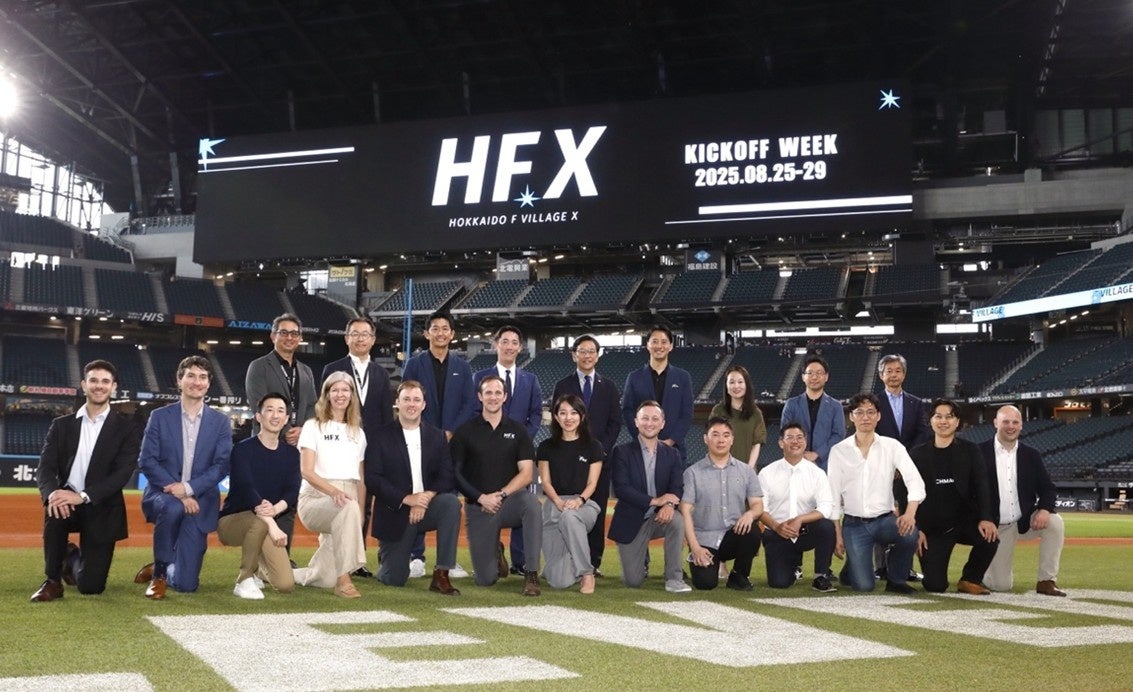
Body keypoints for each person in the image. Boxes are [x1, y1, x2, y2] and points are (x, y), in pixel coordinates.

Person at [31, 360, 142, 602]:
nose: (99, 386)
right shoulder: (61, 425)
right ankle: (52, 581)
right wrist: (52, 494)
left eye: (105, 381)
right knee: (55, 508)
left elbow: (121, 474)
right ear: (84, 385)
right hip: (66, 502)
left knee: (91, 587)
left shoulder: (127, 429)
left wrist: (82, 496)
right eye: (93, 380)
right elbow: (45, 468)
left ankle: (70, 556)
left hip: (101, 506)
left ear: (113, 387)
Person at [135, 355, 233, 599]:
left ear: (208, 384)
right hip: (164, 496)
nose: (196, 382)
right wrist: (177, 492)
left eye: (202, 377)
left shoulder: (220, 422)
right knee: (173, 507)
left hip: (199, 502)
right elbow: (147, 460)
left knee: (187, 584)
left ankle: (165, 569)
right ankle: (159, 574)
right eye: (191, 376)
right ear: (179, 380)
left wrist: (188, 489)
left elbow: (221, 466)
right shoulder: (159, 416)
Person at [364, 380, 462, 595]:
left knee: (450, 503)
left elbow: (447, 475)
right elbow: (373, 479)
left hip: (427, 507)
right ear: (397, 403)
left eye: (416, 400)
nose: (411, 404)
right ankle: (387, 559)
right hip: (396, 511)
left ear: (424, 405)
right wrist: (407, 499)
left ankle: (442, 573)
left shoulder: (437, 436)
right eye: (406, 399)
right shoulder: (380, 436)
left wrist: (424, 497)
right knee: (394, 579)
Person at [401, 311, 476, 577]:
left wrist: (451, 432)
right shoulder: (414, 364)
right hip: (420, 439)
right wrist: (431, 433)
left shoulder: (463, 367)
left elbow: (469, 403)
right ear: (427, 333)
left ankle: (448, 561)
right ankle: (416, 557)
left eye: (445, 328)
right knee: (418, 490)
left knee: (449, 498)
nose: (440, 333)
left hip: (452, 443)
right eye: (435, 328)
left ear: (452, 334)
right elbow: (408, 400)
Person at [452, 375, 542, 596]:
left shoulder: (518, 430)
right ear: (480, 396)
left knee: (531, 503)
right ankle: (495, 551)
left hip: (509, 502)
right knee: (486, 579)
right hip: (479, 506)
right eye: (488, 393)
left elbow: (527, 474)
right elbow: (455, 474)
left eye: (498, 393)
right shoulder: (465, 431)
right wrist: (481, 498)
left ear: (505, 397)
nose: (493, 397)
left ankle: (531, 573)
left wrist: (501, 494)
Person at [827, 393, 925, 593]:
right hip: (854, 524)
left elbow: (915, 480)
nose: (865, 417)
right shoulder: (839, 451)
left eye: (871, 412)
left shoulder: (892, 446)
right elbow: (833, 494)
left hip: (884, 521)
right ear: (851, 416)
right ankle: (851, 568)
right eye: (859, 412)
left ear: (878, 416)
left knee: (909, 534)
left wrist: (910, 514)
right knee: (864, 586)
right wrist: (837, 533)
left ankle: (896, 580)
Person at [321, 316, 394, 579]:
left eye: (365, 334)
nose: (360, 338)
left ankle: (357, 560)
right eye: (355, 333)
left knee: (366, 505)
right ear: (346, 338)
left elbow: (386, 416)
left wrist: (385, 448)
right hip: (340, 447)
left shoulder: (381, 374)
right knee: (340, 501)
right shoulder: (332, 368)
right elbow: (324, 408)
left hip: (371, 449)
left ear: (373, 340)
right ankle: (333, 557)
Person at [245, 313, 318, 553]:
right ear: (273, 336)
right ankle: (259, 557)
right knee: (264, 501)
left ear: (300, 338)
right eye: (283, 332)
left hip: (295, 447)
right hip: (266, 446)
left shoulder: (305, 370)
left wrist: (303, 430)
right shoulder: (259, 366)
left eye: (294, 333)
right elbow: (258, 403)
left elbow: (312, 406)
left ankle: (282, 556)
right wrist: (286, 430)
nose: (289, 337)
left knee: (288, 501)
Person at [909, 399, 998, 595]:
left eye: (949, 417)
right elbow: (905, 491)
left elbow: (982, 485)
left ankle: (970, 579)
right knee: (935, 586)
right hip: (933, 529)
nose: (943, 421)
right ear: (930, 421)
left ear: (957, 422)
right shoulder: (917, 454)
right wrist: (916, 528)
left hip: (964, 521)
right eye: (938, 416)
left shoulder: (970, 450)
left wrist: (986, 518)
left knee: (990, 537)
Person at [217, 392, 301, 599]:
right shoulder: (242, 450)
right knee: (260, 522)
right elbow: (247, 489)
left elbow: (292, 491)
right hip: (233, 522)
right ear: (258, 416)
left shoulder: (292, 454)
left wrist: (275, 509)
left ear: (286, 419)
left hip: (265, 521)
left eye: (280, 411)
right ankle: (244, 579)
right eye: (269, 410)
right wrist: (271, 522)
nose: (275, 415)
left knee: (285, 585)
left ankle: (258, 572)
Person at [474, 325, 543, 577]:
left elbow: (536, 414)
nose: (509, 346)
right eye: (505, 341)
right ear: (496, 344)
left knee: (523, 503)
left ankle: (520, 561)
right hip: (487, 453)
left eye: (514, 342)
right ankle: (491, 553)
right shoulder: (480, 376)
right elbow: (474, 412)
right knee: (488, 502)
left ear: (520, 347)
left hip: (520, 455)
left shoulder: (530, 380)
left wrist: (520, 440)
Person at [552, 334, 622, 577]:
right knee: (568, 509)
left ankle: (593, 562)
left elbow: (615, 422)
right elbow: (558, 419)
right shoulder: (563, 385)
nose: (587, 355)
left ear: (597, 356)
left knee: (597, 511)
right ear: (574, 355)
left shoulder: (609, 386)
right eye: (582, 351)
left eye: (591, 351)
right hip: (569, 461)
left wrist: (601, 450)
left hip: (600, 460)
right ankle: (568, 559)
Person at [292, 372, 368, 597]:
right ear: (326, 395)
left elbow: (361, 478)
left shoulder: (359, 433)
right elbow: (306, 471)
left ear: (352, 395)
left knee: (324, 578)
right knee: (347, 506)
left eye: (345, 390)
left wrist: (360, 512)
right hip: (316, 497)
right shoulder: (313, 427)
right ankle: (344, 581)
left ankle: (281, 573)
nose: (340, 394)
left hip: (349, 496)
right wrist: (334, 492)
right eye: (334, 390)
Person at [980, 405, 1067, 596]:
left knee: (1055, 522)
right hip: (995, 526)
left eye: (1015, 422)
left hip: (1024, 521)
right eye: (1005, 421)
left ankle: (1046, 580)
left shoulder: (1031, 454)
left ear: (1021, 425)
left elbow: (1048, 488)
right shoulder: (979, 452)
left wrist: (1044, 509)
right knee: (1001, 586)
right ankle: (984, 571)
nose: (1010, 426)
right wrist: (983, 518)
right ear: (995, 423)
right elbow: (971, 493)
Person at [607, 400, 690, 593]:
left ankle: (674, 578)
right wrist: (656, 501)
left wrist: (668, 504)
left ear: (662, 423)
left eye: (655, 419)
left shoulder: (672, 454)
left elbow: (677, 487)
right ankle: (639, 557)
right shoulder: (621, 452)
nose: (649, 423)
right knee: (633, 581)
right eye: (645, 418)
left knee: (677, 520)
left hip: (658, 519)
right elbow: (622, 489)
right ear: (636, 422)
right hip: (631, 521)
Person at [680, 417, 764, 591]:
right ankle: (707, 563)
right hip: (705, 540)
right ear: (706, 439)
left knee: (753, 530)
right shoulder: (692, 473)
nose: (721, 440)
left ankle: (739, 576)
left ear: (732, 440)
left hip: (733, 535)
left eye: (726, 435)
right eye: (715, 435)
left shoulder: (746, 471)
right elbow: (685, 511)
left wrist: (749, 514)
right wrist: (695, 548)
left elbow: (757, 505)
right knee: (705, 584)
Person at [757, 422, 837, 592]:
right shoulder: (767, 473)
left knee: (826, 526)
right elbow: (761, 509)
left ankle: (821, 576)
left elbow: (826, 507)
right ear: (781, 443)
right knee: (779, 583)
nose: (795, 441)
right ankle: (793, 567)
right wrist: (777, 526)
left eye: (799, 437)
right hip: (777, 531)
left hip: (805, 532)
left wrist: (800, 519)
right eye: (790, 437)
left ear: (805, 442)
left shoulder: (817, 473)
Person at [873, 353, 931, 583]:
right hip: (881, 467)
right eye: (889, 371)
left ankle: (905, 568)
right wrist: (891, 461)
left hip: (908, 467)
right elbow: (872, 434)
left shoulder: (915, 403)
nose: (893, 375)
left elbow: (923, 433)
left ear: (904, 374)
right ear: (881, 375)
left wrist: (904, 460)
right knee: (881, 513)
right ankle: (880, 567)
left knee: (909, 513)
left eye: (898, 370)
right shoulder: (874, 402)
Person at [537, 394, 603, 592]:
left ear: (582, 416)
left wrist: (579, 500)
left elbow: (592, 483)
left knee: (570, 517)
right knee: (559, 582)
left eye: (574, 413)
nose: (568, 418)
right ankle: (565, 564)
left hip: (583, 505)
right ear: (556, 417)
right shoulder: (546, 447)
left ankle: (587, 573)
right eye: (563, 413)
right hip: (554, 505)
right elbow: (545, 482)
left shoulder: (593, 446)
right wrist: (557, 501)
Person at [622, 325, 693, 461]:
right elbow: (628, 411)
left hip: (674, 450)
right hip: (642, 451)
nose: (659, 346)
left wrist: (670, 441)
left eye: (664, 342)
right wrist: (643, 440)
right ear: (647, 345)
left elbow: (686, 414)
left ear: (671, 346)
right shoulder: (634, 377)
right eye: (654, 341)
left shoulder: (683, 377)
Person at [780, 355, 845, 471]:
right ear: (803, 377)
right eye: (810, 373)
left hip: (826, 464)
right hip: (796, 463)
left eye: (819, 373)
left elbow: (838, 435)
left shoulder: (836, 406)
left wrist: (817, 454)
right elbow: (785, 433)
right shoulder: (791, 404)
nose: (814, 377)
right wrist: (801, 454)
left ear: (826, 377)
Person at [710, 365, 766, 468]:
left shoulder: (755, 413)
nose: (736, 386)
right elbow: (713, 441)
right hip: (721, 470)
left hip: (747, 469)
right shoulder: (718, 411)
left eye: (740, 382)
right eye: (731, 382)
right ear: (726, 387)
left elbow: (756, 444)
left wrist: (748, 469)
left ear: (746, 385)